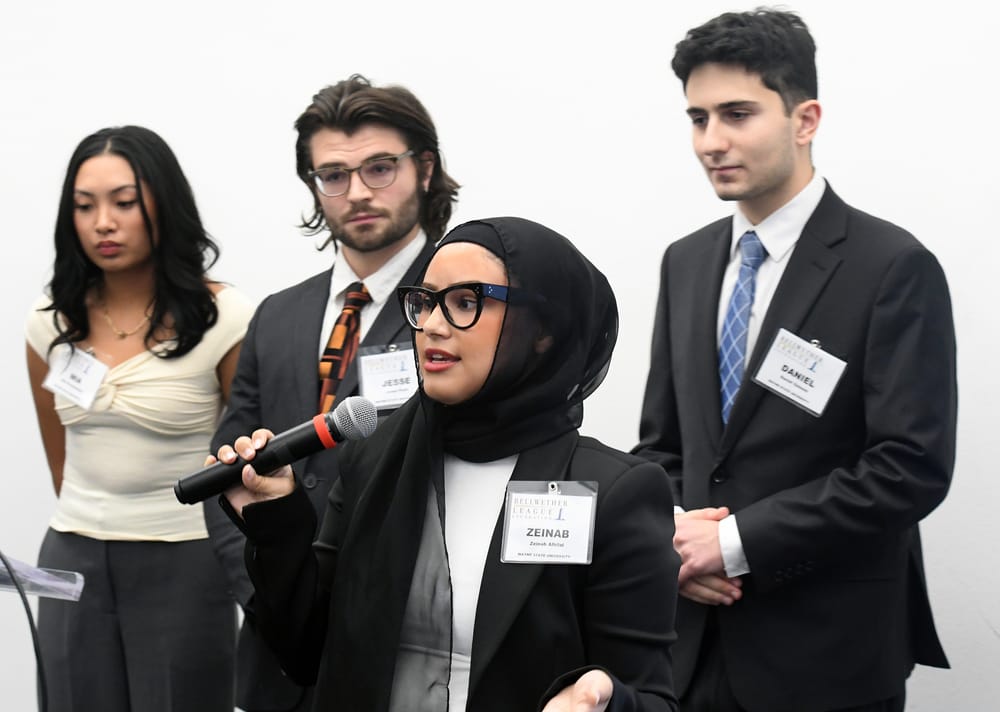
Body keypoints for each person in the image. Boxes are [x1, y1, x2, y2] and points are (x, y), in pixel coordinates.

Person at [211, 217, 680, 712]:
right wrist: (277, 517)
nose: (433, 325)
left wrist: (602, 702)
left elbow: (651, 697)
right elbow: (305, 651)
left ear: (542, 330)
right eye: (425, 302)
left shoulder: (614, 492)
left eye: (465, 303)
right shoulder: (376, 458)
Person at [632, 8, 956, 712]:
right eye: (697, 119)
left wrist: (734, 543)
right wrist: (675, 543)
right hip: (691, 645)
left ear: (805, 119)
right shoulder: (686, 262)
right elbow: (662, 447)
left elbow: (910, 467)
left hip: (827, 653)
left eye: (736, 114)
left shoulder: (891, 266)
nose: (711, 141)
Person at [203, 74, 459, 712]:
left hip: (399, 646)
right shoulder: (277, 314)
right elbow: (228, 468)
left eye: (380, 168)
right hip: (277, 654)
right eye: (333, 175)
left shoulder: (460, 308)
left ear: (425, 169)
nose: (358, 192)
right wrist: (274, 596)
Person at [24, 125, 254, 712]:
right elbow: (60, 462)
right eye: (85, 206)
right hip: (73, 553)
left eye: (123, 203)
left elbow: (246, 459)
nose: (103, 222)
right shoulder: (50, 322)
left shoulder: (225, 318)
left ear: (163, 204)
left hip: (185, 557)